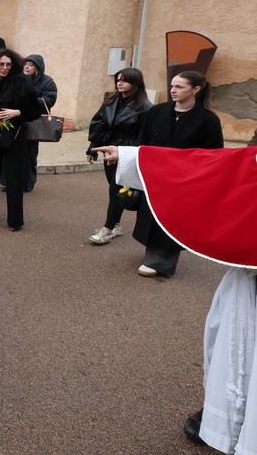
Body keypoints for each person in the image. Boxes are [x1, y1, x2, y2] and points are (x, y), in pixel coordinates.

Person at [92, 144, 257, 452]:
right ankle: (231, 420)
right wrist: (133, 157)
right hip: (249, 283)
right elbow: (207, 165)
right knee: (233, 346)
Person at [129, 71, 223, 277]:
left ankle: (160, 262)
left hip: (185, 181)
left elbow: (214, 155)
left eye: (179, 87)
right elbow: (141, 142)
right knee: (151, 214)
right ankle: (152, 252)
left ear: (196, 89)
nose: (173, 90)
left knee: (173, 218)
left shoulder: (208, 120)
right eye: (172, 85)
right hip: (155, 175)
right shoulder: (157, 112)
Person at [0, 49, 42, 231]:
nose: (4, 68)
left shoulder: (22, 83)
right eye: (1, 64)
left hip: (15, 135)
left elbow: (36, 110)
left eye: (8, 65)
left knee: (14, 177)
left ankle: (15, 221)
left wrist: (18, 112)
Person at [85, 68, 151, 244]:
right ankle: (116, 224)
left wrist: (131, 155)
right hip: (109, 151)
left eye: (125, 80)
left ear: (135, 83)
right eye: (118, 80)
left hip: (127, 154)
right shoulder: (111, 101)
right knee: (115, 189)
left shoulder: (145, 108)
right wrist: (93, 147)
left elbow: (145, 136)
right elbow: (99, 124)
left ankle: (108, 228)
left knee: (116, 190)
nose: (119, 83)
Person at [21, 55, 58, 192]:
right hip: (16, 121)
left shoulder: (47, 81)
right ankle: (9, 181)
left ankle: (27, 183)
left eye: (30, 65)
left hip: (33, 122)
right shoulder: (18, 78)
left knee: (29, 154)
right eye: (25, 64)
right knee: (12, 153)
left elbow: (49, 99)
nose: (26, 67)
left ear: (37, 67)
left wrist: (30, 100)